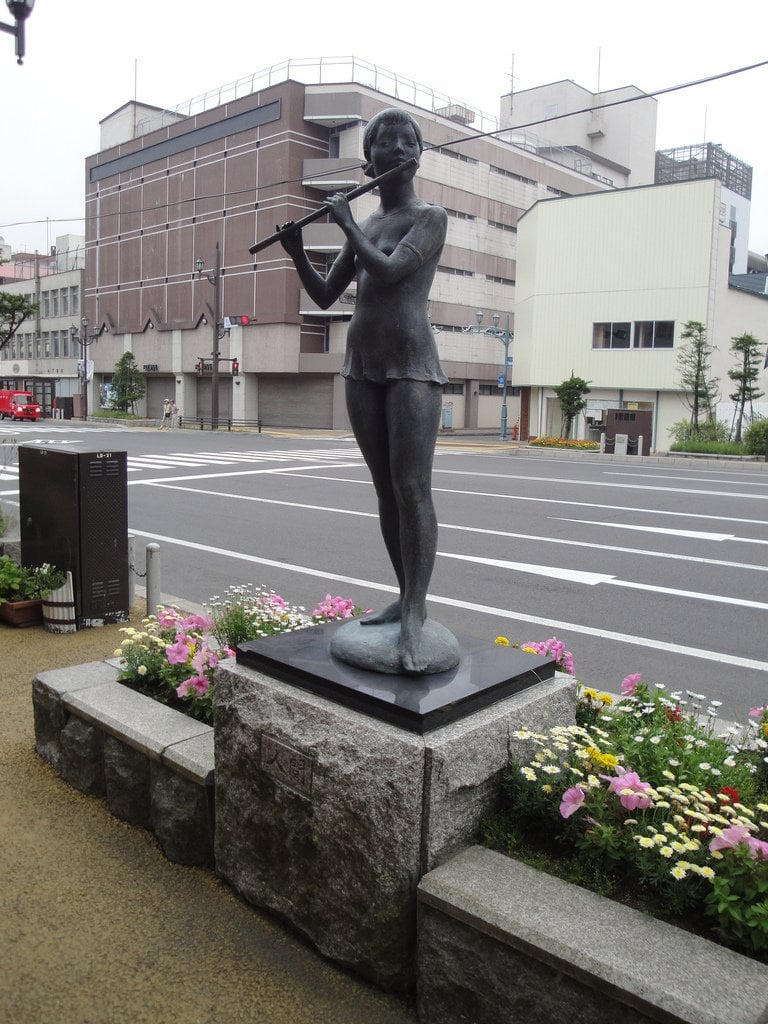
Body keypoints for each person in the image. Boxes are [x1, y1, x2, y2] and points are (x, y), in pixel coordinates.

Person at [280, 107, 454, 674]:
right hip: (363, 361)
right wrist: (298, 250)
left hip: (411, 362)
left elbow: (390, 271)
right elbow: (329, 295)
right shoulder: (368, 222)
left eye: (408, 141)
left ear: (418, 154)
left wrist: (346, 224)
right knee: (384, 489)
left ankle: (416, 612)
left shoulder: (430, 217)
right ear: (369, 157)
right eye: (387, 142)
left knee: (412, 488)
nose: (398, 149)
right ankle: (404, 596)